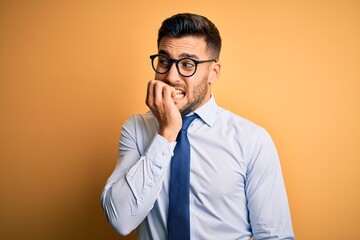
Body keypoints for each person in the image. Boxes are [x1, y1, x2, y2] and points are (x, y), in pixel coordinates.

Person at [101, 13, 294, 239]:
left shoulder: (252, 140)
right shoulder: (136, 128)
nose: (171, 76)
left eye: (187, 64)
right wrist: (167, 133)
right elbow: (121, 220)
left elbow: (274, 236)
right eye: (164, 61)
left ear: (214, 72)